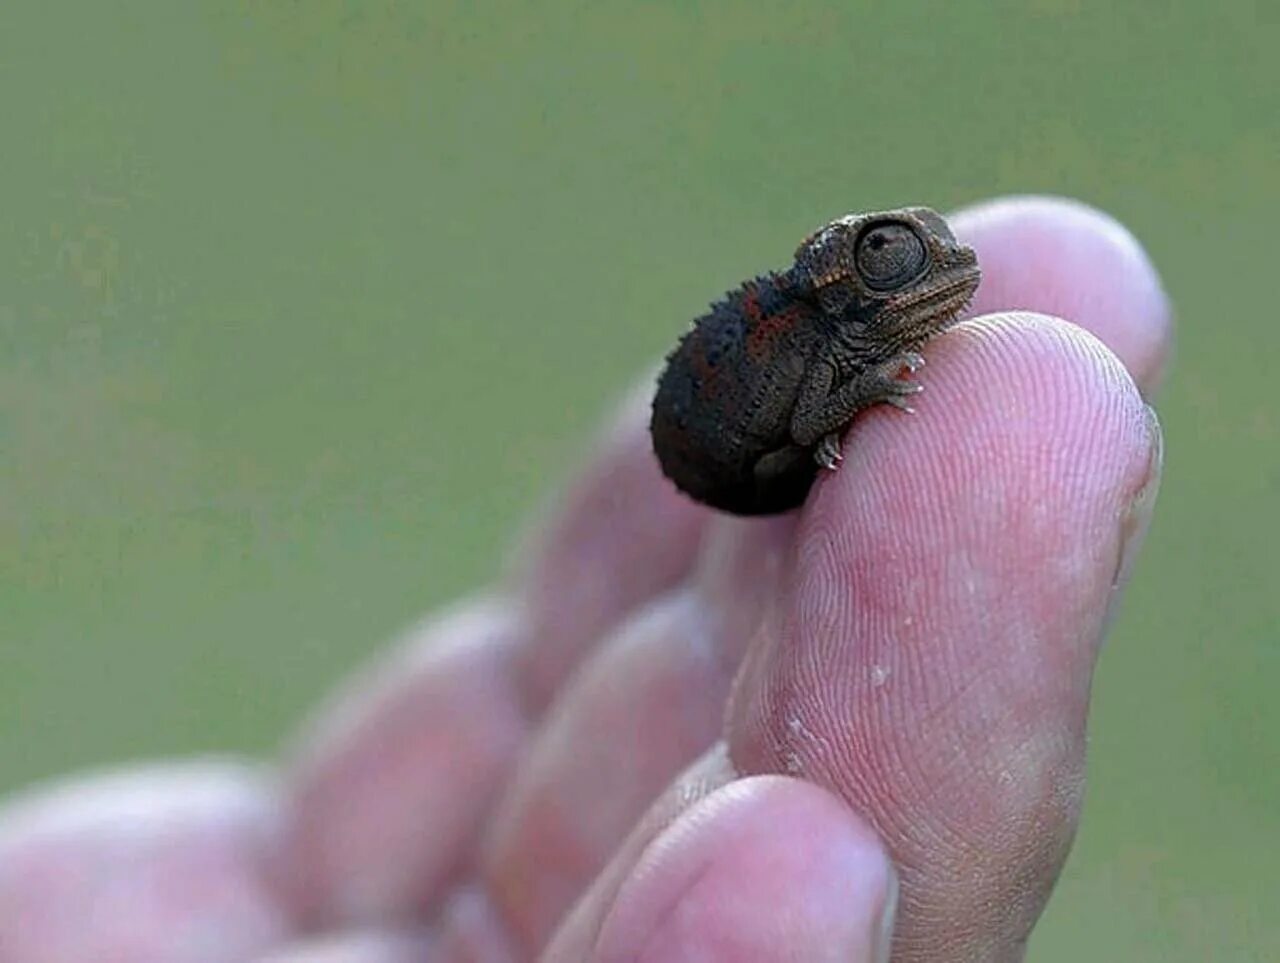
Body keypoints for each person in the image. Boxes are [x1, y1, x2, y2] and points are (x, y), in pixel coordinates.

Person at [0, 196, 1170, 962]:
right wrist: (844, 412)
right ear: (841, 281)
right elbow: (791, 410)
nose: (930, 278)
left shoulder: (831, 331)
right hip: (719, 446)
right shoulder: (813, 337)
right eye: (889, 259)